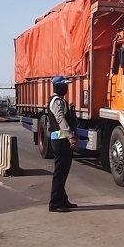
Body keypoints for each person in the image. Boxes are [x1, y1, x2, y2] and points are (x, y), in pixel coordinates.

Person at [47, 75, 79, 213]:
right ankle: (54, 203)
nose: (66, 87)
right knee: (59, 173)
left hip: (62, 140)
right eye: (64, 85)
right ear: (58, 86)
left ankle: (63, 200)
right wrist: (70, 136)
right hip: (60, 141)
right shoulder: (57, 102)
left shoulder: (61, 101)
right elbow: (61, 120)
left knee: (63, 172)